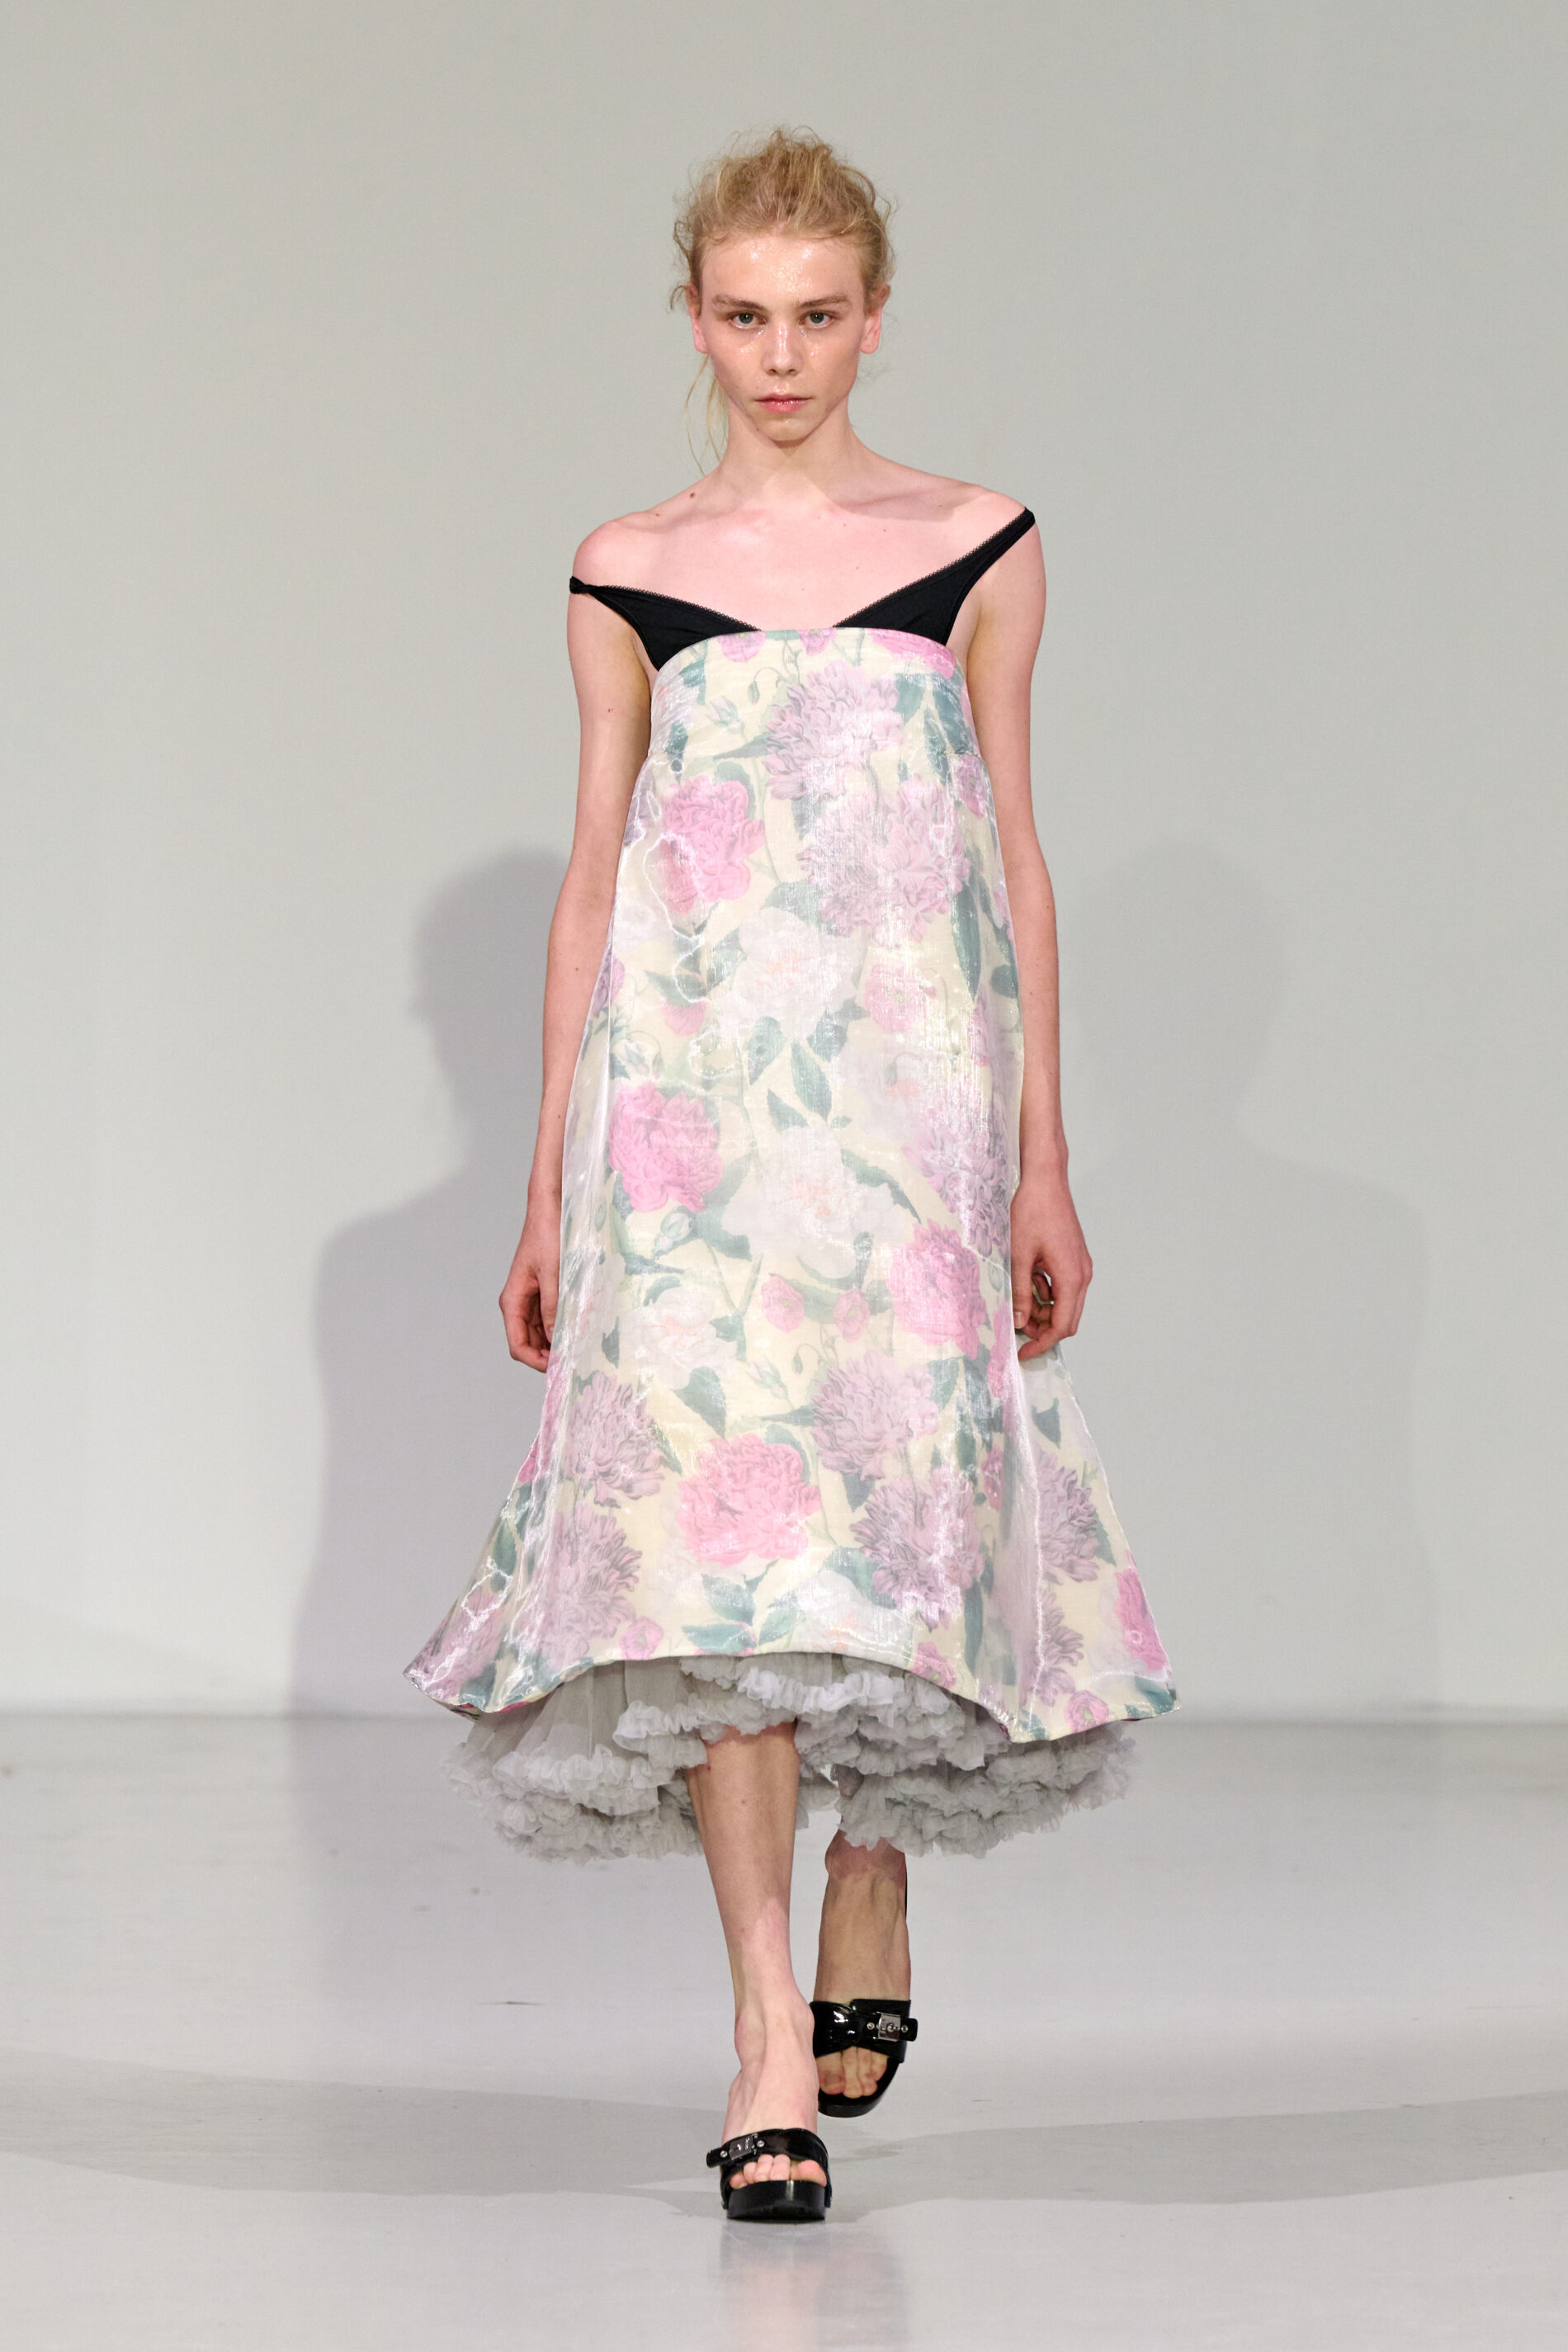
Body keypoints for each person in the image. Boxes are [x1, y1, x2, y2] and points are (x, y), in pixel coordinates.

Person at [408, 128, 1178, 2223]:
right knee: (709, 1561)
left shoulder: (976, 541)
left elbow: (1012, 857)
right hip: (687, 1133)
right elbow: (594, 879)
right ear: (691, 316)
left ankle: (874, 1862)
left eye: (816, 316)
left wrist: (1043, 1154)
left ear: (873, 318)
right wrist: (546, 1186)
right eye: (743, 316)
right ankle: (763, 2037)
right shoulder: (625, 566)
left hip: (914, 1111)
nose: (778, 355)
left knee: (893, 1516)